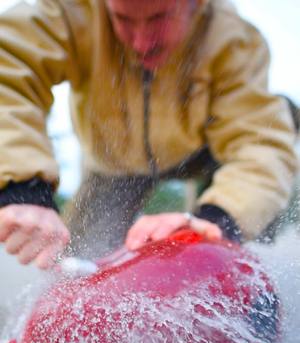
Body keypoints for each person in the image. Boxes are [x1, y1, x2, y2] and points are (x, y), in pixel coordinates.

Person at [0, 0, 297, 268]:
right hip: (112, 164)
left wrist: (216, 219)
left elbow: (262, 147)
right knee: (74, 260)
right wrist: (23, 185)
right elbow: (7, 67)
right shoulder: (69, 12)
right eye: (123, 20)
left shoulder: (232, 40)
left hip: (200, 153)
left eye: (159, 17)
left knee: (280, 122)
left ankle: (246, 266)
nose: (141, 43)